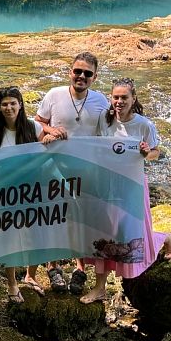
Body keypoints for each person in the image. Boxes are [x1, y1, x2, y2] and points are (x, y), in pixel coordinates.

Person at [82, 78, 171, 304]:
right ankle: (99, 288)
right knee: (104, 235)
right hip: (105, 184)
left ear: (133, 99)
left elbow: (156, 152)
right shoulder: (104, 121)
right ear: (111, 98)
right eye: (115, 97)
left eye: (124, 97)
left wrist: (147, 153)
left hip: (132, 185)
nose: (119, 101)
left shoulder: (144, 125)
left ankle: (166, 237)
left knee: (132, 236)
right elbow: (96, 148)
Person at [35, 51, 110, 291]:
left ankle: (80, 269)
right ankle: (53, 267)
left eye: (87, 73)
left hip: (86, 171)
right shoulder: (54, 95)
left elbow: (110, 134)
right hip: (54, 167)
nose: (81, 76)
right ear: (70, 71)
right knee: (55, 217)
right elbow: (37, 123)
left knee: (82, 220)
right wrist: (50, 130)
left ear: (94, 77)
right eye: (77, 71)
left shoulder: (101, 101)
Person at [0, 86, 45, 303]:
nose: (9, 107)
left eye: (13, 103)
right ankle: (11, 283)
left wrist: (53, 137)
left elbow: (50, 154)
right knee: (9, 238)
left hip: (32, 192)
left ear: (20, 104)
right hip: (5, 193)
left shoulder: (34, 127)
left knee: (35, 234)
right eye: (4, 104)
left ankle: (31, 275)